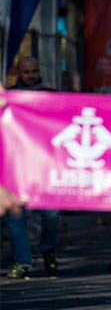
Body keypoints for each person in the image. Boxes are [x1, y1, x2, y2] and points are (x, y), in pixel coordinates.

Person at [5, 57, 60, 278]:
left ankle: (48, 249)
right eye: (27, 72)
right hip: (15, 165)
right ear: (19, 72)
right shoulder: (8, 96)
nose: (31, 76)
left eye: (35, 71)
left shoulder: (50, 95)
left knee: (52, 214)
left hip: (44, 163)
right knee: (15, 215)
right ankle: (22, 261)